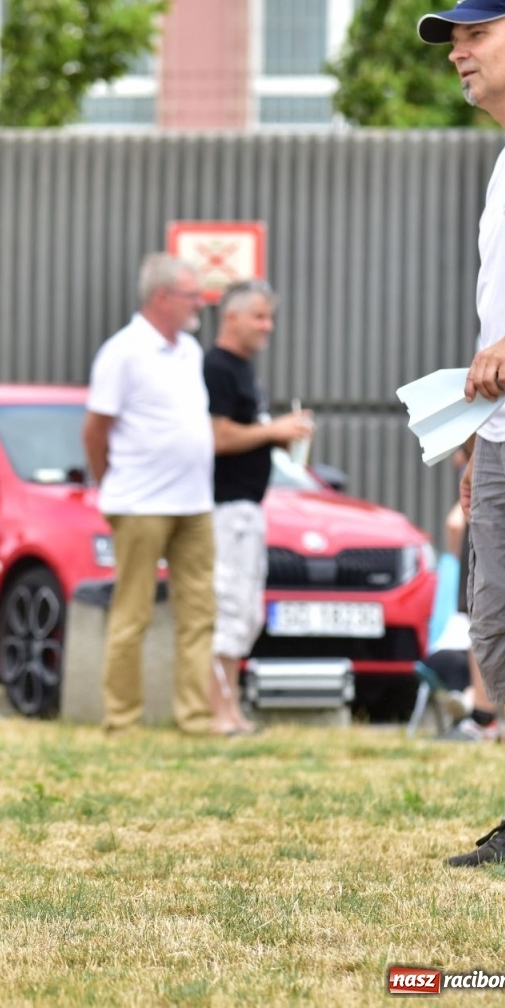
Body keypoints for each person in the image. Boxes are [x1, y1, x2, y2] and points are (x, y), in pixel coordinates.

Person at [417, 0, 505, 865]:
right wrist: (476, 438)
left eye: (477, 31)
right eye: (453, 38)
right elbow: (495, 316)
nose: (460, 50)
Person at [81, 253, 216, 736]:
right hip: (139, 504)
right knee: (132, 612)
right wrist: (110, 483)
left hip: (194, 502)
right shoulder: (122, 351)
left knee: (200, 613)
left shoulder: (191, 350)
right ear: (162, 298)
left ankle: (195, 717)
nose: (199, 303)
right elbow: (95, 431)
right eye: (191, 295)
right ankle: (122, 719)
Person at [203, 281, 314, 735]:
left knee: (246, 611)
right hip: (223, 508)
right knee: (227, 608)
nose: (268, 326)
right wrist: (272, 432)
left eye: (270, 317)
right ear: (231, 317)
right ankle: (218, 712)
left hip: (248, 507)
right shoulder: (216, 368)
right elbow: (217, 435)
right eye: (259, 317)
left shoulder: (245, 369)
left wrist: (280, 435)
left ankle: (232, 709)